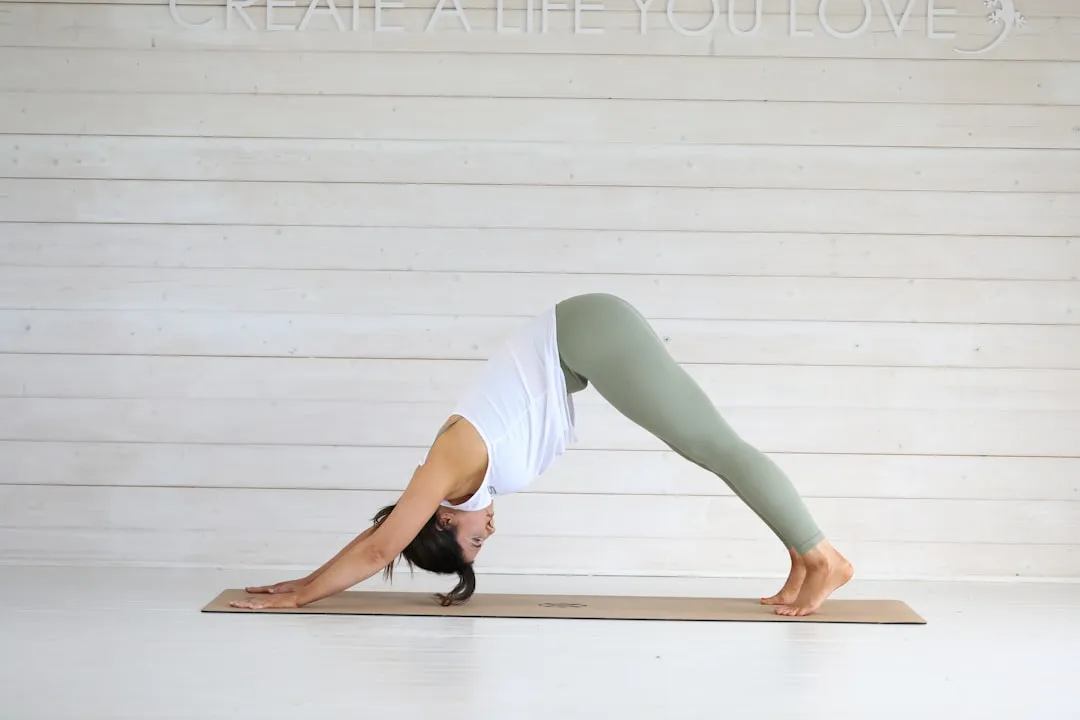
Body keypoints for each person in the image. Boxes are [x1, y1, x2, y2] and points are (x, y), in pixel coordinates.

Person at [231, 292, 853, 617]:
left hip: (589, 334)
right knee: (708, 446)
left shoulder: (445, 468)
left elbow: (379, 545)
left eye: (475, 541)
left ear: (443, 518)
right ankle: (802, 560)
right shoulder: (467, 481)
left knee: (711, 445)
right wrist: (309, 581)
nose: (489, 530)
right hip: (582, 340)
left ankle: (824, 557)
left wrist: (304, 592)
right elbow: (382, 538)